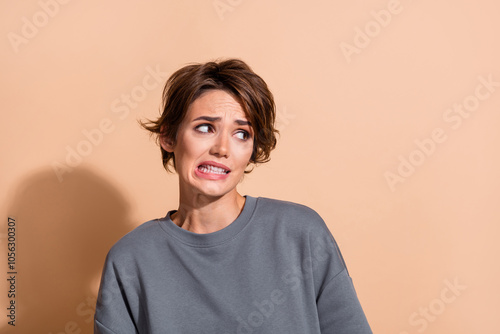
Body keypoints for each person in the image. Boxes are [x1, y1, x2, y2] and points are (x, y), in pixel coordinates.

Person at [94, 59, 372, 333]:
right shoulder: (130, 259)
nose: (223, 149)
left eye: (242, 133)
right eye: (205, 127)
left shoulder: (300, 233)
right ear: (168, 137)